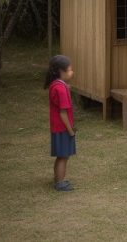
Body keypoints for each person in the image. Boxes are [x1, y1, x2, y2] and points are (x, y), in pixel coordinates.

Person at [47, 55, 76, 192]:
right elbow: (63, 112)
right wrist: (70, 130)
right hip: (63, 128)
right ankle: (60, 182)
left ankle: (57, 178)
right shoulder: (61, 89)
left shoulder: (56, 85)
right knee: (64, 156)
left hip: (56, 127)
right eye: (70, 70)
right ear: (61, 71)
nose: (72, 73)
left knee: (61, 155)